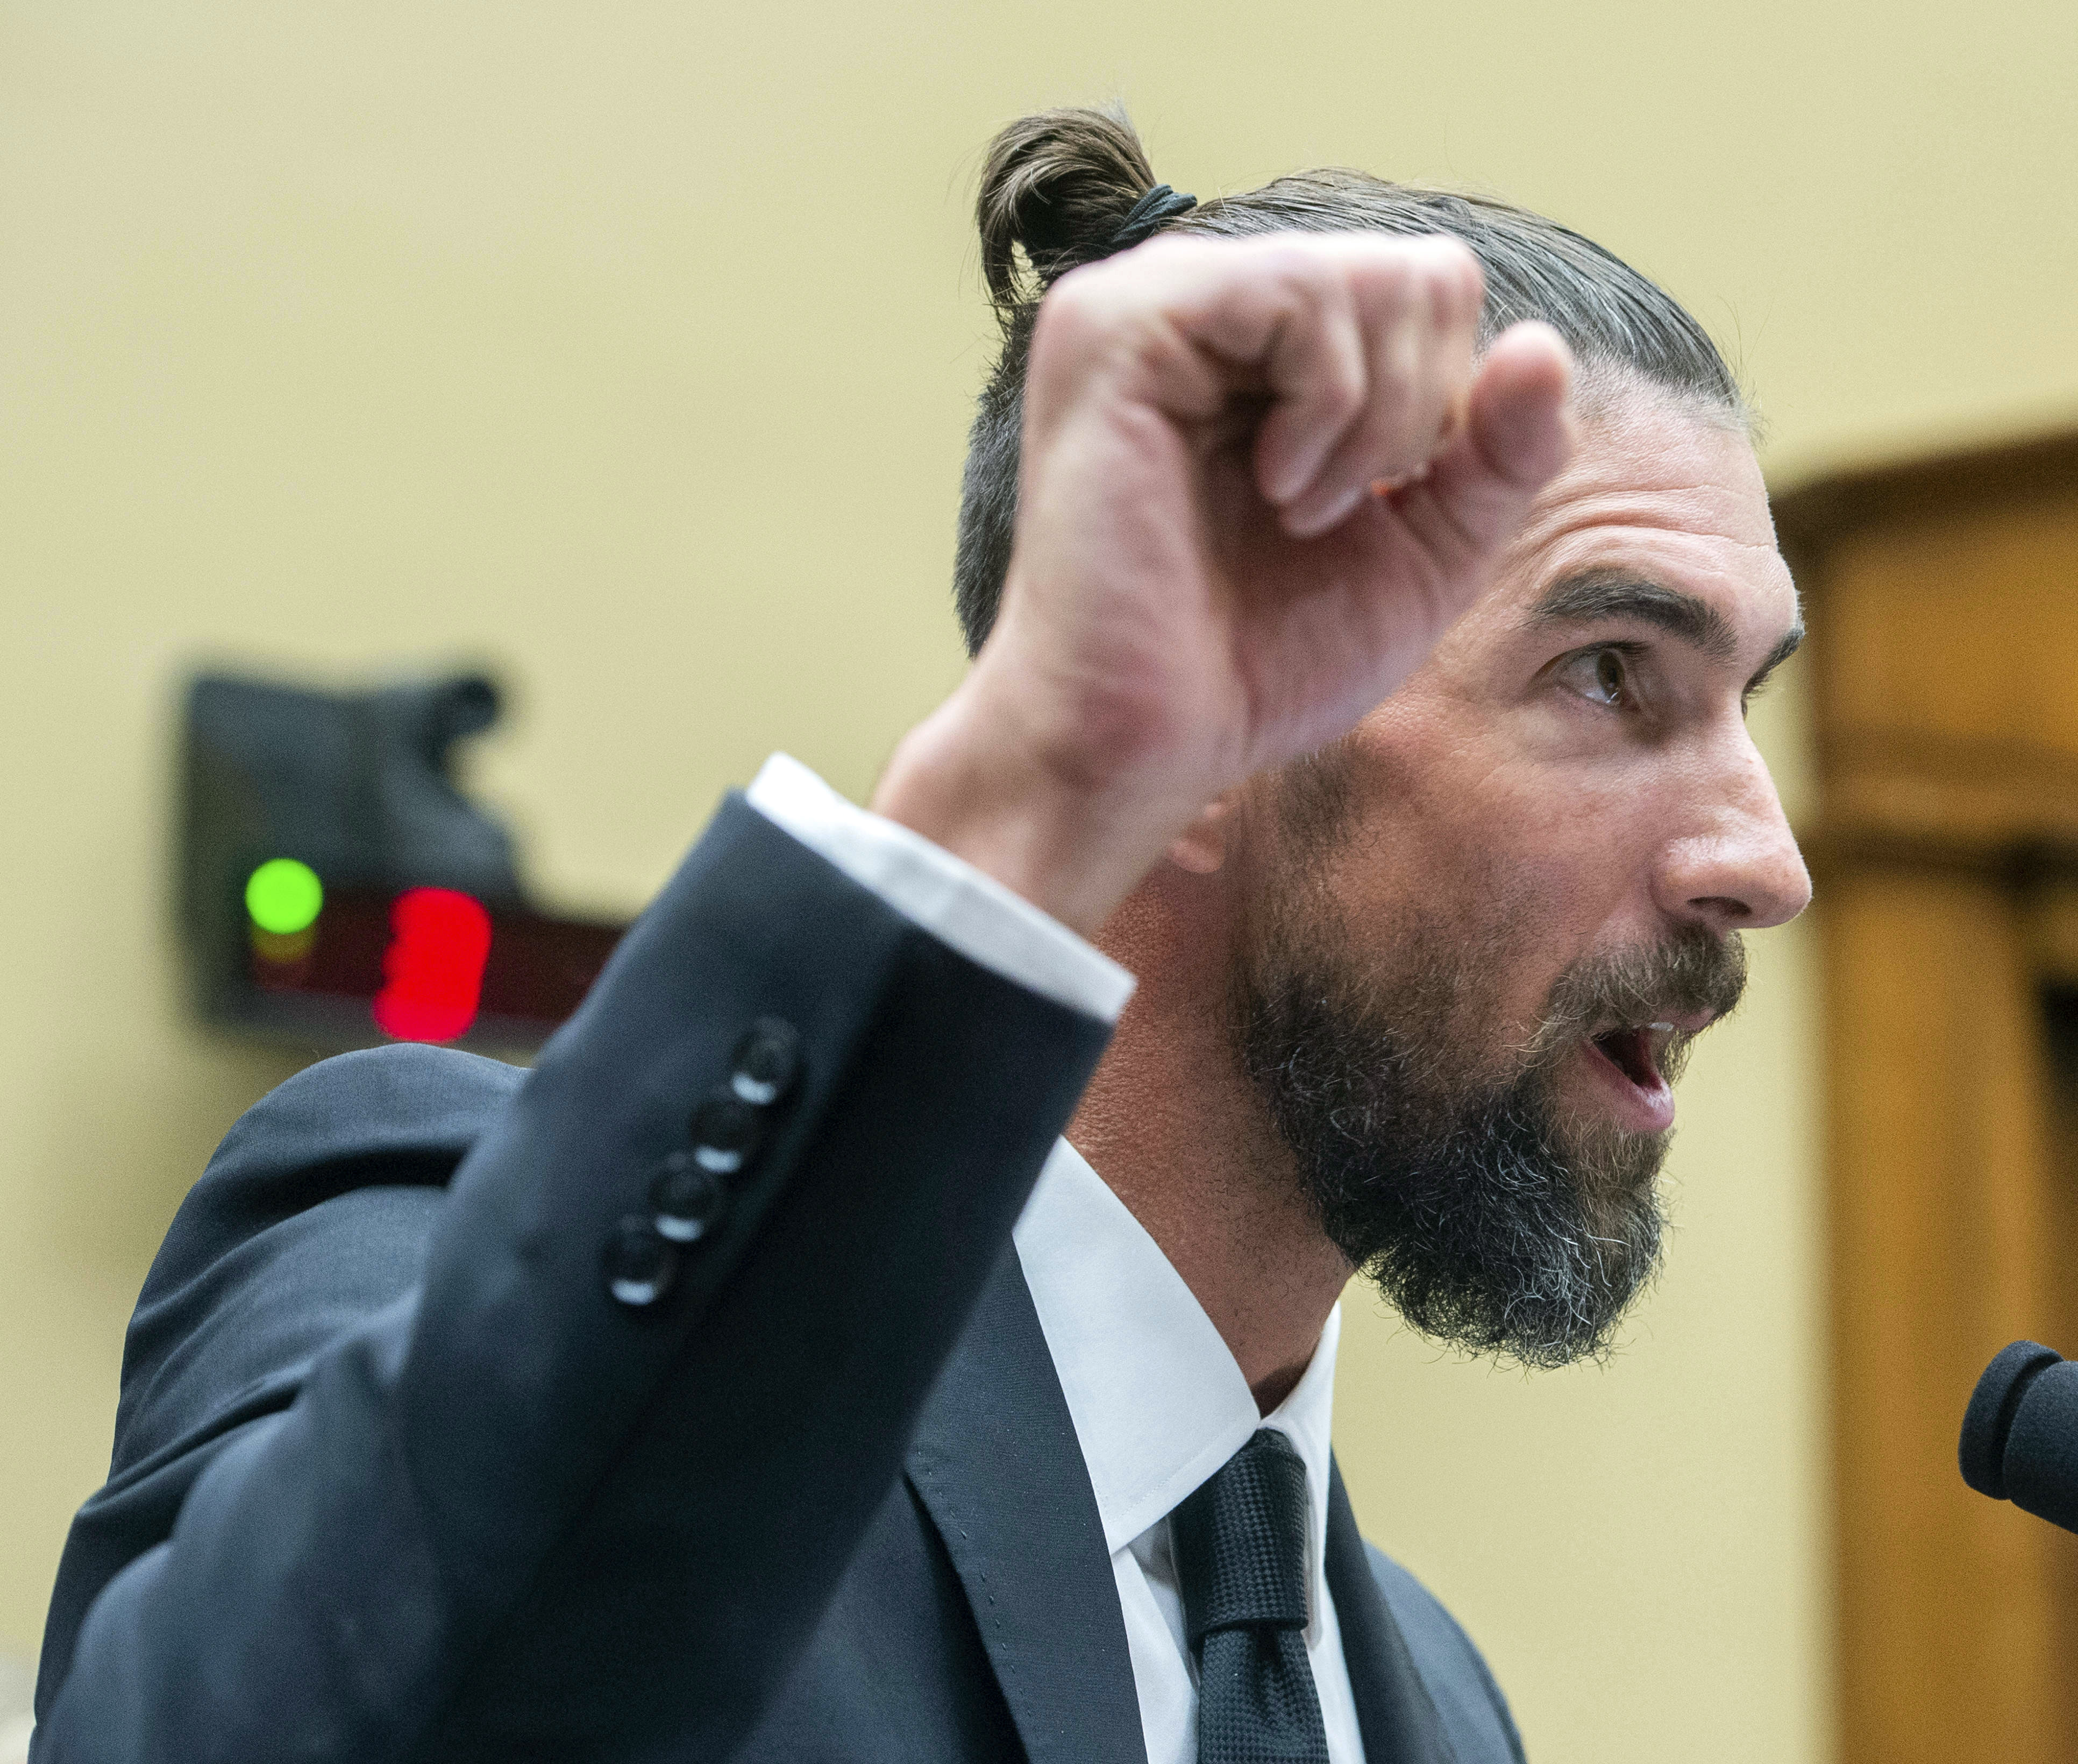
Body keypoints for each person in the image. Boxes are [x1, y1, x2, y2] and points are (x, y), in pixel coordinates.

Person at [32, 107, 1807, 1764]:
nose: (1766, 859)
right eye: (1610, 677)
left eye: (1749, 706)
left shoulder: (1431, 1697)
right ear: (1213, 723)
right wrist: (1024, 796)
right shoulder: (469, 1268)